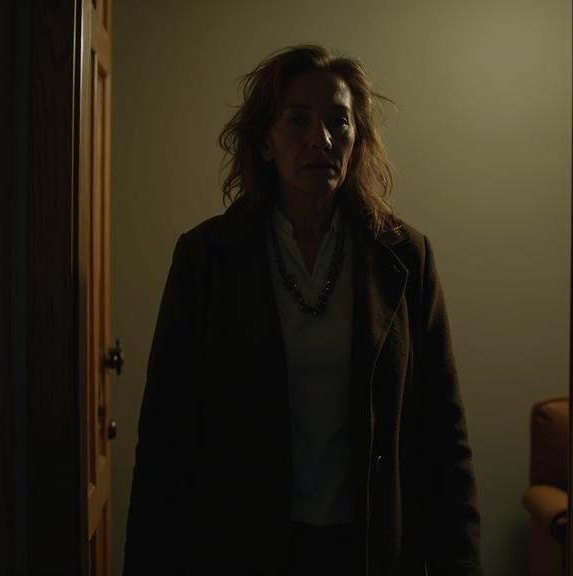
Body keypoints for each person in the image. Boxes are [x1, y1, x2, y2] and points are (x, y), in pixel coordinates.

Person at [123, 44, 481, 576]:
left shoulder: (404, 257)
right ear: (266, 141)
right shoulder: (208, 257)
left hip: (370, 547)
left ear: (357, 140)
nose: (321, 138)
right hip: (245, 546)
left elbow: (444, 432)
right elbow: (165, 436)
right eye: (298, 120)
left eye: (339, 121)